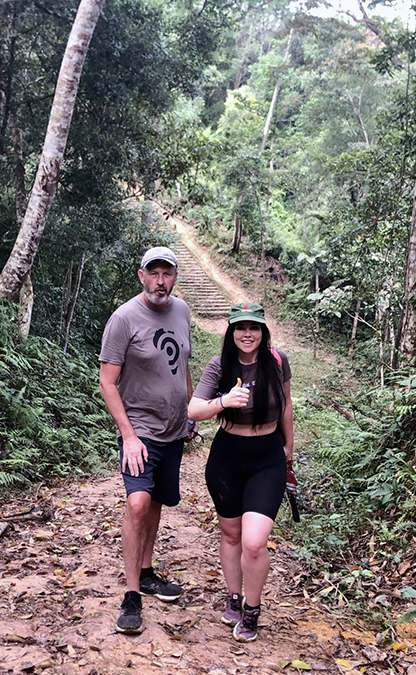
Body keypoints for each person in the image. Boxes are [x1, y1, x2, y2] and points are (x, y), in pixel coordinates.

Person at [99, 246, 197, 634]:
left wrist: (190, 410)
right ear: (141, 276)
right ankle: (132, 595)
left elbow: (182, 365)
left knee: (156, 501)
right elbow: (107, 382)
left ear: (175, 277)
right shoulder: (124, 318)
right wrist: (128, 436)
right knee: (137, 503)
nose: (160, 281)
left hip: (174, 429)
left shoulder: (182, 311)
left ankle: (146, 571)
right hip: (139, 430)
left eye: (166, 273)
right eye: (153, 273)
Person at [187, 302, 294, 642]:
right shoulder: (219, 365)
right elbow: (194, 409)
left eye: (254, 327)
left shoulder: (277, 362)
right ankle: (234, 596)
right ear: (231, 331)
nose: (247, 334)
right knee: (231, 534)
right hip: (227, 458)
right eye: (240, 328)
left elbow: (286, 405)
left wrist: (289, 447)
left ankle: (252, 608)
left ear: (263, 331)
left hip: (267, 458)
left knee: (254, 542)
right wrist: (224, 401)